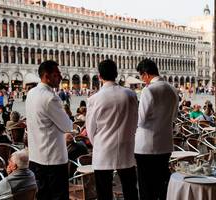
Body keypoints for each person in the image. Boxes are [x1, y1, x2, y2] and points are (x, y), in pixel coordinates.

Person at [86, 59, 139, 200]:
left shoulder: (94, 99)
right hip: (126, 146)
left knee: (104, 191)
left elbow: (90, 129)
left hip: (103, 149)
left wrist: (98, 143)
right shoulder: (130, 94)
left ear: (99, 76)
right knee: (130, 188)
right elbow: (135, 121)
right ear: (116, 74)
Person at [26, 60, 73, 200]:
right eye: (56, 74)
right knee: (58, 196)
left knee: (42, 196)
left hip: (35, 157)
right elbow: (68, 126)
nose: (60, 77)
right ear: (46, 76)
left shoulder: (31, 93)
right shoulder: (51, 98)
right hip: (53, 160)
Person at [135, 59, 179, 200]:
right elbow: (174, 117)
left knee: (146, 186)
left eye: (142, 77)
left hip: (146, 147)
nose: (143, 80)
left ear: (146, 74)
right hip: (165, 145)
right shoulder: (172, 89)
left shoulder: (149, 90)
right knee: (161, 185)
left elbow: (140, 120)